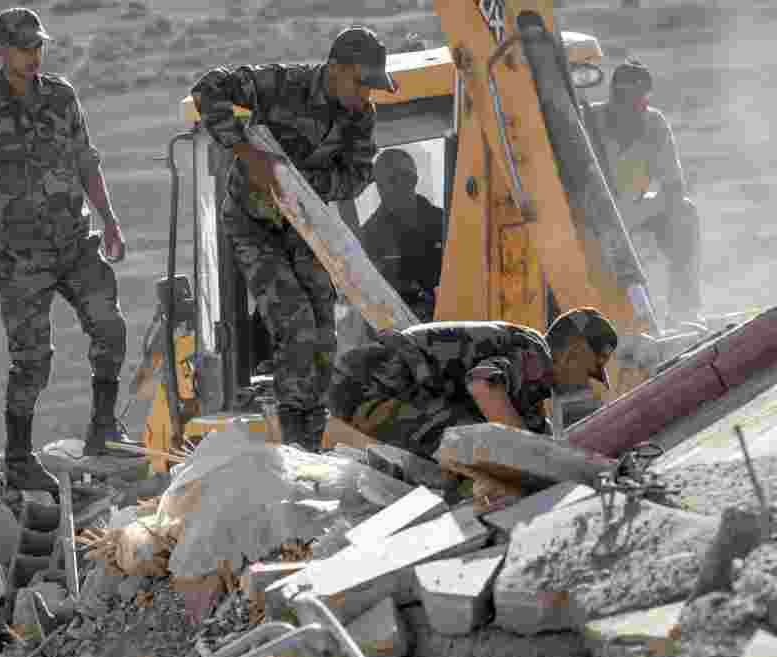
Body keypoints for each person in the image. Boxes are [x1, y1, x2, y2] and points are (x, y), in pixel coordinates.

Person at [191, 26, 396, 450]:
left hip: (305, 222)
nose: (365, 96)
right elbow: (208, 88)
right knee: (295, 319)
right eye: (361, 83)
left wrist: (297, 179)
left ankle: (315, 424)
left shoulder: (361, 116)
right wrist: (248, 156)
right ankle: (293, 431)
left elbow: (356, 177)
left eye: (373, 87)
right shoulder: (284, 84)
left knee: (324, 326)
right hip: (254, 223)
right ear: (334, 69)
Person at [0, 8, 129, 492]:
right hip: (21, 256)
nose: (32, 55)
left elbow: (87, 161)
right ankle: (19, 457)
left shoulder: (62, 97)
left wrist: (110, 220)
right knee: (32, 360)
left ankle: (104, 427)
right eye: (22, 47)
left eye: (37, 46)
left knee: (110, 329)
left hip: (75, 243)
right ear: (0, 52)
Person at [327, 308, 618, 457]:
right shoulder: (534, 354)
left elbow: (534, 430)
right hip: (366, 385)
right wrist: (527, 452)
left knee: (481, 441)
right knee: (472, 447)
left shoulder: (531, 372)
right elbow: (483, 385)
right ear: (574, 353)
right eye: (589, 371)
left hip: (372, 383)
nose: (584, 382)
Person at [587, 58, 703, 324]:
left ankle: (684, 309)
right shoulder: (588, 121)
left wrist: (659, 214)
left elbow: (674, 187)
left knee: (684, 212)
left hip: (635, 209)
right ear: (613, 96)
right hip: (594, 214)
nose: (631, 105)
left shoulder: (655, 124)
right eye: (624, 97)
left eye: (638, 98)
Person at [358, 148, 446, 323]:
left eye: (406, 177)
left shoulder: (444, 222)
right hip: (400, 328)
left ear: (414, 180)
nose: (399, 185)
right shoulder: (369, 236)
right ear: (379, 186)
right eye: (391, 180)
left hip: (452, 317)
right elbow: (369, 294)